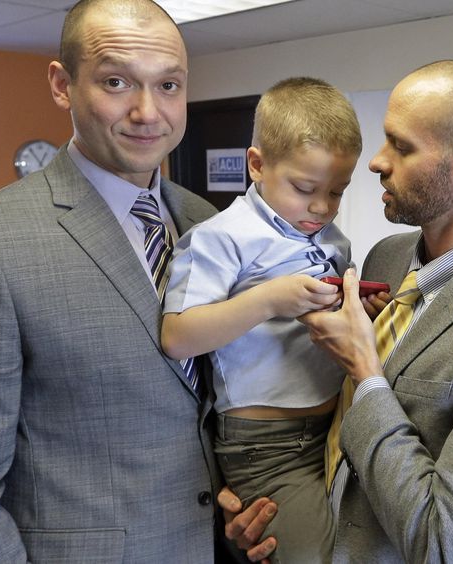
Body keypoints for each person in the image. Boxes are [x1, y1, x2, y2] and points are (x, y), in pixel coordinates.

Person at [0, 0, 260, 561]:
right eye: (116, 82)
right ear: (62, 85)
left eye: (168, 85)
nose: (147, 112)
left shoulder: (206, 221)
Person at [222, 59, 453, 563]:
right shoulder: (387, 258)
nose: (376, 162)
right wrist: (268, 507)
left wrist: (367, 372)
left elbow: (445, 543)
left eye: (401, 145)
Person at [162, 77, 364, 564]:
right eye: (305, 188)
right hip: (266, 445)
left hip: (335, 428)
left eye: (337, 191)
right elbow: (178, 336)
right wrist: (269, 301)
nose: (321, 207)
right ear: (257, 165)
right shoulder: (223, 237)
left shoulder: (330, 238)